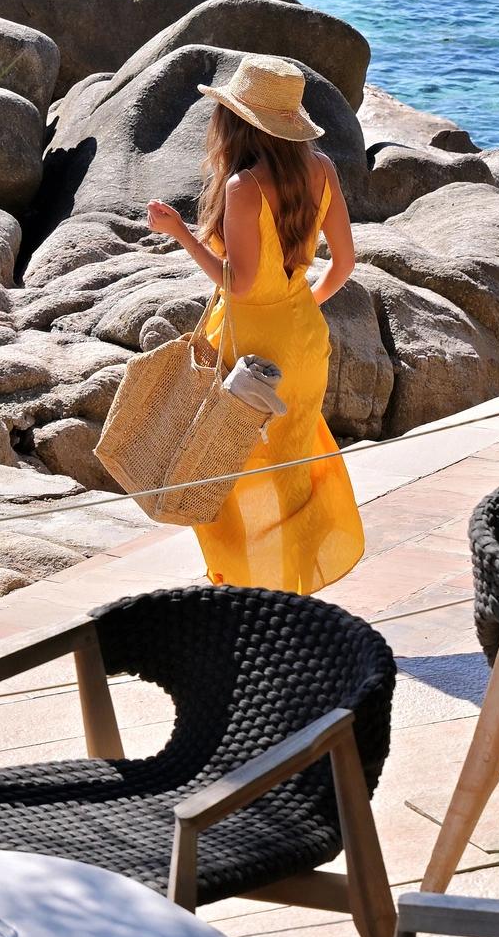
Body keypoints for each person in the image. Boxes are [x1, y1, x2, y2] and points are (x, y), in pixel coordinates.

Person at [146, 54, 364, 594]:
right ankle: (294, 588)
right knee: (292, 470)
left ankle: (244, 589)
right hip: (303, 341)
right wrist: (302, 303)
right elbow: (344, 263)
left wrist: (180, 234)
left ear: (237, 121)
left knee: (222, 470)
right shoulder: (324, 170)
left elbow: (237, 284)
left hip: (249, 350)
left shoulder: (245, 186)